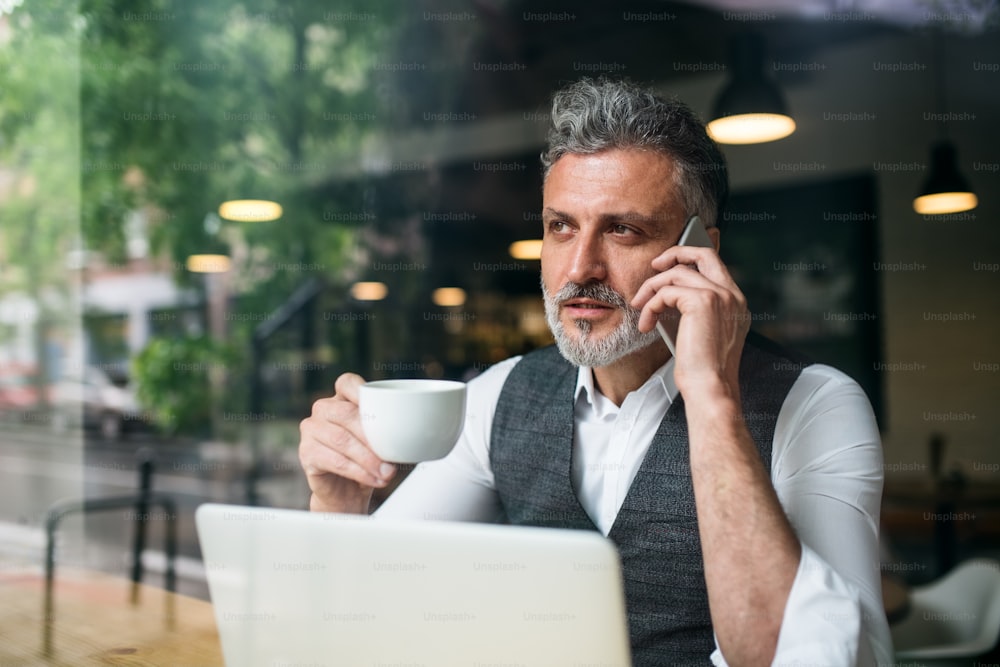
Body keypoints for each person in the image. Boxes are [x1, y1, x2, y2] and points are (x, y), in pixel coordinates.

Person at [299, 78, 892, 666]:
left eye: (622, 229)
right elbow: (371, 611)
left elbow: (816, 656)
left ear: (700, 251)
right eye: (561, 227)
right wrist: (338, 506)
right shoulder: (499, 395)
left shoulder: (814, 405)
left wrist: (712, 396)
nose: (579, 268)